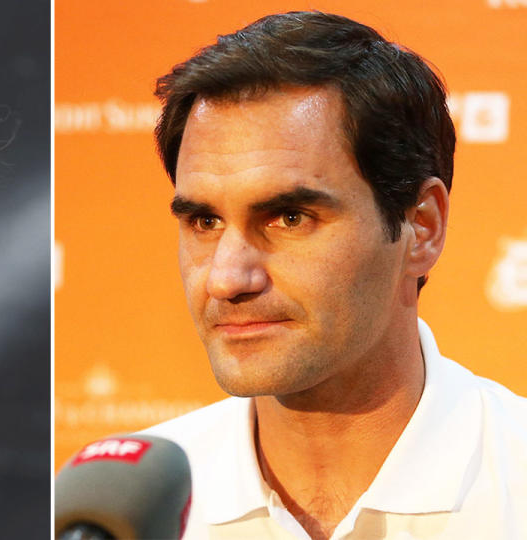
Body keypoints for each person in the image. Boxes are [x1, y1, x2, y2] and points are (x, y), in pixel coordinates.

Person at [142, 11, 527, 540]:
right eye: (205, 221)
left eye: (290, 218)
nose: (226, 279)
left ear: (422, 227)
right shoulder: (129, 515)